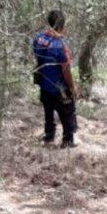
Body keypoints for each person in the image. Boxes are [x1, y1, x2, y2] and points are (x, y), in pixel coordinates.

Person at [32, 9, 78, 148]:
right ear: (61, 26)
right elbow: (66, 70)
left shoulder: (38, 38)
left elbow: (37, 56)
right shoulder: (60, 45)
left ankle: (49, 136)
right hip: (59, 87)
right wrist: (72, 87)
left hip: (44, 83)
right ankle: (68, 141)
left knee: (48, 111)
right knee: (67, 112)